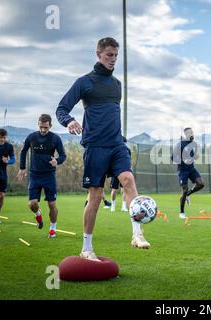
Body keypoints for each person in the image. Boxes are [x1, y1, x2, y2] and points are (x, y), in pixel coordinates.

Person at [56, 37, 150, 262]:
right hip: (95, 147)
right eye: (109, 55)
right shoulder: (85, 82)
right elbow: (61, 108)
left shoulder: (117, 85)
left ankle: (137, 234)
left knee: (128, 179)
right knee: (96, 196)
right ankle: (86, 247)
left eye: (116, 55)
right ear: (98, 54)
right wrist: (69, 121)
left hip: (117, 144)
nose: (113, 59)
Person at [17, 114, 66, 238]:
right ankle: (38, 213)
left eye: (46, 127)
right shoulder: (32, 137)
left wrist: (57, 161)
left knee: (52, 205)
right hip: (34, 175)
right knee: (32, 204)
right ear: (38, 124)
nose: (43, 130)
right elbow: (23, 151)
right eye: (41, 127)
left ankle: (52, 229)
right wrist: (22, 167)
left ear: (50, 125)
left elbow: (63, 156)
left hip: (49, 176)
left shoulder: (55, 138)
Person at [172, 128, 204, 219]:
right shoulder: (180, 144)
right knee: (184, 190)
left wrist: (195, 157)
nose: (192, 134)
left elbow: (192, 157)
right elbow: (173, 157)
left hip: (191, 169)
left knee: (201, 184)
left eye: (192, 132)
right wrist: (183, 160)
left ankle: (188, 195)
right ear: (186, 134)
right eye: (190, 133)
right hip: (182, 170)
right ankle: (182, 212)